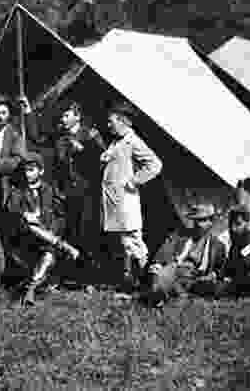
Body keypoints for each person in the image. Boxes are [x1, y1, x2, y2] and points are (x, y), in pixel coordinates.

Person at [20, 98, 106, 261]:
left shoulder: (90, 134)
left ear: (77, 116)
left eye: (66, 115)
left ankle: (90, 269)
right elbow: (37, 138)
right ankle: (72, 270)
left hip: (87, 192)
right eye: (62, 116)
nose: (63, 119)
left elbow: (102, 161)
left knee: (87, 230)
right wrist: (28, 112)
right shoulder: (60, 135)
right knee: (69, 230)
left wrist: (83, 151)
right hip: (66, 192)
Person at [100, 102, 162, 291]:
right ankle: (130, 282)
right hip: (115, 202)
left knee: (133, 242)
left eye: (111, 121)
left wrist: (134, 181)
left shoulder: (133, 141)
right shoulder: (117, 141)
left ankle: (147, 282)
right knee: (124, 244)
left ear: (123, 121)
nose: (108, 125)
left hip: (126, 201)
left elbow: (155, 164)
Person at [6, 152, 79, 304]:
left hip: (48, 238)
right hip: (26, 238)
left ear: (41, 171)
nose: (28, 174)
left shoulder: (50, 190)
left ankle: (31, 289)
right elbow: (10, 211)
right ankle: (64, 246)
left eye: (32, 170)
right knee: (31, 226)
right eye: (26, 170)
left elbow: (60, 216)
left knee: (48, 256)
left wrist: (53, 229)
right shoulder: (18, 191)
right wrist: (25, 214)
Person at [143, 203, 226, 306]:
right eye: (196, 221)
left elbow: (220, 270)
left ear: (211, 222)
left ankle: (177, 295)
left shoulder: (218, 246)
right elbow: (161, 256)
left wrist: (213, 275)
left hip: (197, 279)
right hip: (175, 271)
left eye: (202, 221)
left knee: (214, 287)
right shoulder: (179, 237)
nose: (198, 224)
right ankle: (161, 295)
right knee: (161, 278)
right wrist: (157, 269)